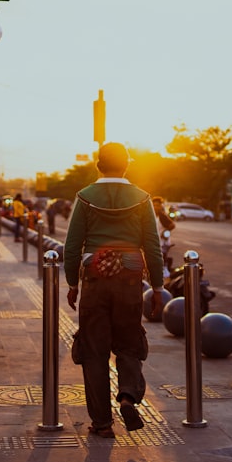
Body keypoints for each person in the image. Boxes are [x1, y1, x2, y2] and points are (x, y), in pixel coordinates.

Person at [64, 142, 166, 438]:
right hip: (130, 282)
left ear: (98, 164)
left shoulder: (84, 198)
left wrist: (73, 284)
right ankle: (127, 397)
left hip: (94, 281)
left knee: (94, 351)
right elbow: (153, 247)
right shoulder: (142, 198)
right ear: (127, 165)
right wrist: (157, 288)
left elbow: (72, 247)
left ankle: (102, 423)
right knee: (129, 344)